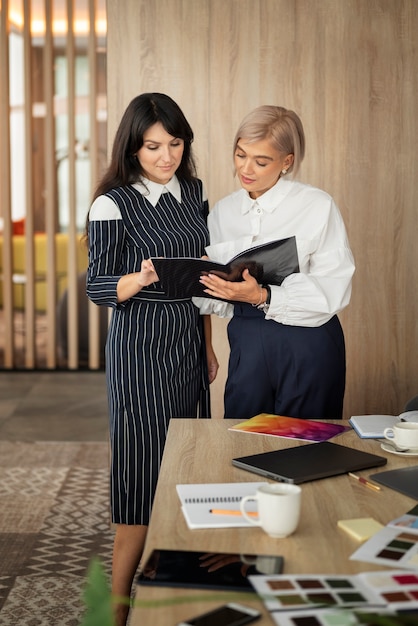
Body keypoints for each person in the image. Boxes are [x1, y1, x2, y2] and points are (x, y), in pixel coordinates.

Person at [85, 92, 218, 626]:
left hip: (186, 338)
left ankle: (179, 601)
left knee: (190, 466)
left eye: (175, 144)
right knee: (140, 477)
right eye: (153, 146)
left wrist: (207, 346)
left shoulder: (194, 192)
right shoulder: (112, 203)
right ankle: (115, 613)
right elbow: (97, 285)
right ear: (133, 148)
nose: (166, 156)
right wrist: (138, 278)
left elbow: (202, 276)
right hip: (139, 346)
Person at [197, 105, 355, 420]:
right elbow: (214, 299)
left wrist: (263, 296)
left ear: (287, 161)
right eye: (240, 155)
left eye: (261, 160)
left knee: (307, 450)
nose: (247, 168)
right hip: (247, 342)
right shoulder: (222, 213)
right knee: (244, 443)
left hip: (309, 342)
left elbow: (335, 286)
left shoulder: (316, 205)